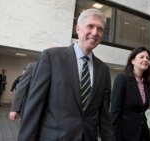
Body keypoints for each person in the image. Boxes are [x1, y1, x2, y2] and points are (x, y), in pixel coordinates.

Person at [18, 8, 114, 141]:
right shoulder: (51, 58)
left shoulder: (103, 70)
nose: (95, 33)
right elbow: (34, 106)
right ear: (78, 28)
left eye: (100, 29)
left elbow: (104, 115)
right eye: (90, 26)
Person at [111, 47, 150, 141]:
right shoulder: (122, 78)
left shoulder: (147, 83)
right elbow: (114, 111)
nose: (145, 60)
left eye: (148, 58)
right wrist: (113, 136)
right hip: (125, 133)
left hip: (142, 131)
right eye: (142, 57)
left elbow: (142, 109)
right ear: (132, 60)